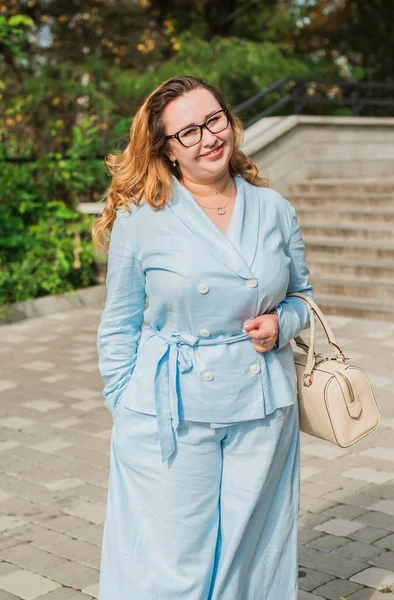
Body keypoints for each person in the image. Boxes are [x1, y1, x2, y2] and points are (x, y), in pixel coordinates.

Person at [93, 74, 314, 600]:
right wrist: (123, 401)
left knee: (248, 553)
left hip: (260, 403)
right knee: (175, 564)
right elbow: (119, 322)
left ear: (230, 123)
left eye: (213, 121)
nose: (207, 138)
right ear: (167, 150)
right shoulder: (141, 217)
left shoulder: (274, 208)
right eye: (187, 132)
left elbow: (303, 297)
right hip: (169, 409)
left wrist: (282, 323)